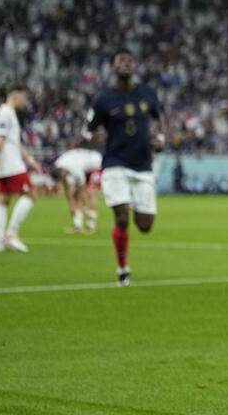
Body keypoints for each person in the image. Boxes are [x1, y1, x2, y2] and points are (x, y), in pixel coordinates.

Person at [86, 48, 166, 287]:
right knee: (121, 218)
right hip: (115, 163)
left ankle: (130, 205)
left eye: (130, 61)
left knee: (144, 225)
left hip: (143, 165)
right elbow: (88, 128)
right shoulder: (103, 100)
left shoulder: (147, 94)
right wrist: (93, 135)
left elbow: (159, 119)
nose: (126, 64)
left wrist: (160, 138)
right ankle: (123, 269)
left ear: (135, 66)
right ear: (113, 66)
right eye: (121, 61)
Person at [0, 81, 41, 253]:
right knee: (31, 194)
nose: (25, 101)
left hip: (6, 163)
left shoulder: (8, 113)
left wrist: (29, 159)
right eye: (24, 98)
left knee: (3, 199)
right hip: (10, 164)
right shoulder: (5, 113)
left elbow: (13, 141)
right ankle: (11, 234)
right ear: (16, 96)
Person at [53, 147, 103, 233]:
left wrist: (85, 208)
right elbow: (67, 188)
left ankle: (90, 225)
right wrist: (70, 204)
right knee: (74, 195)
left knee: (90, 193)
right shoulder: (59, 165)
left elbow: (82, 189)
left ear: (63, 173)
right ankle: (78, 226)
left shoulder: (74, 168)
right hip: (84, 165)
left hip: (97, 164)